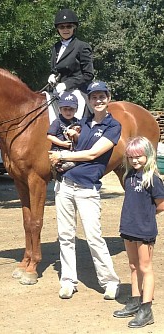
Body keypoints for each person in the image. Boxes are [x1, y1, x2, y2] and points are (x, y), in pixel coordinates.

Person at [48, 81, 121, 300]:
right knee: (66, 236)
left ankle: (110, 281)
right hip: (65, 186)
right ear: (88, 101)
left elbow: (92, 155)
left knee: (93, 236)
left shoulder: (112, 126)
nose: (98, 100)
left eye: (102, 96)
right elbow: (77, 143)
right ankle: (68, 280)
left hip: (87, 189)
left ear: (108, 98)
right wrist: (72, 136)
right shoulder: (84, 123)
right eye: (94, 97)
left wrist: (61, 156)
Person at [113, 136, 164, 328]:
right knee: (133, 266)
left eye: (139, 156)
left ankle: (146, 308)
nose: (135, 160)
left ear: (148, 156)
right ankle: (135, 300)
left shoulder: (153, 179)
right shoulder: (128, 177)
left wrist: (147, 215)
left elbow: (161, 205)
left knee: (145, 267)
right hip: (128, 227)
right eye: (131, 157)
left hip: (144, 230)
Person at [48, 8, 94, 118]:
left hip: (77, 91)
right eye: (61, 27)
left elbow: (88, 75)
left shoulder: (82, 47)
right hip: (57, 90)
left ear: (74, 27)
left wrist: (66, 84)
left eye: (68, 26)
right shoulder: (56, 47)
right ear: (57, 29)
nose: (65, 29)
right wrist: (52, 76)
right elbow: (55, 69)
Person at [47, 91, 81, 172]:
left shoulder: (78, 122)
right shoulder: (57, 122)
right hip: (59, 149)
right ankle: (58, 167)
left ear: (76, 110)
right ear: (60, 109)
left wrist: (76, 134)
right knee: (74, 163)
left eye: (71, 109)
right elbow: (49, 136)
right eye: (65, 109)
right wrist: (62, 143)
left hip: (71, 150)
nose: (68, 112)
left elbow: (80, 138)